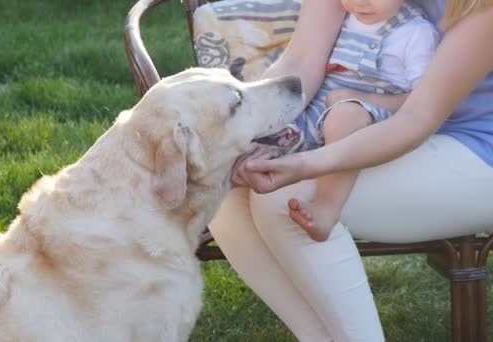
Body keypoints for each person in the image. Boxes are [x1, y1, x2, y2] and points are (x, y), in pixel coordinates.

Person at [209, 0, 493, 340]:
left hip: (476, 148)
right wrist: (242, 136)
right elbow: (300, 63)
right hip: (388, 122)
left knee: (287, 199)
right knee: (227, 186)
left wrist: (302, 164)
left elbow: (418, 117)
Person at [280, 0, 440, 241]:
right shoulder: (342, 18)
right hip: (319, 108)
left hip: (376, 117)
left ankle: (327, 206)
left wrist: (360, 97)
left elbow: (423, 102)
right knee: (275, 132)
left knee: (345, 116)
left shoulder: (415, 33)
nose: (361, 2)